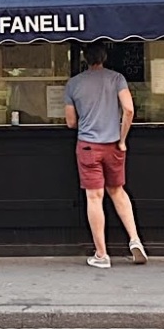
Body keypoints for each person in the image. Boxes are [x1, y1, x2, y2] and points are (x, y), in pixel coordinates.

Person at [64, 43, 145, 268]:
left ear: (84, 58)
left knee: (94, 197)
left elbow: (70, 122)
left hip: (88, 146)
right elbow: (129, 109)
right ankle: (135, 239)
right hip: (113, 145)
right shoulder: (117, 78)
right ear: (105, 57)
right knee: (118, 192)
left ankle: (101, 254)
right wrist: (122, 139)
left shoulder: (73, 84)